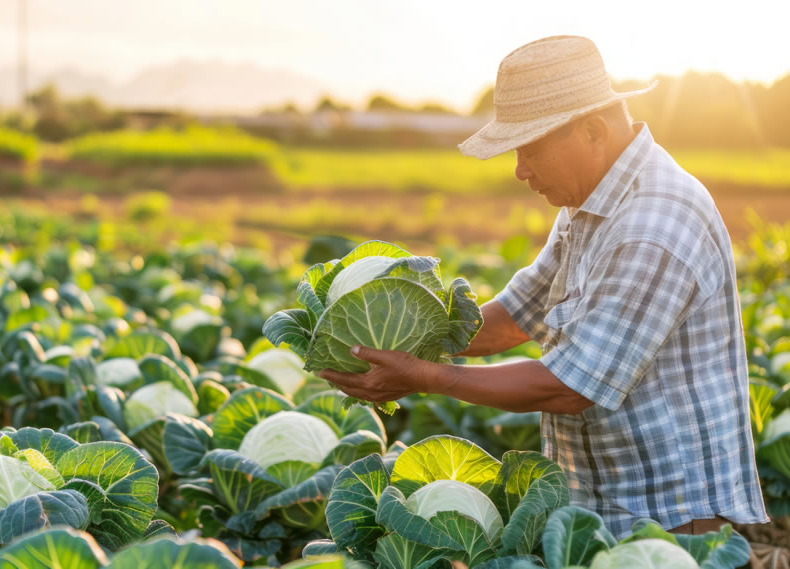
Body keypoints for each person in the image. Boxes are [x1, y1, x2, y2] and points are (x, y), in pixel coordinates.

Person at [319, 35, 769, 538]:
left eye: (530, 150)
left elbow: (569, 386)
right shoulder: (588, 202)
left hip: (669, 518)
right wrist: (394, 337)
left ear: (594, 132)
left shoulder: (655, 223)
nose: (519, 171)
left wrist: (424, 375)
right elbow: (514, 315)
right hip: (607, 504)